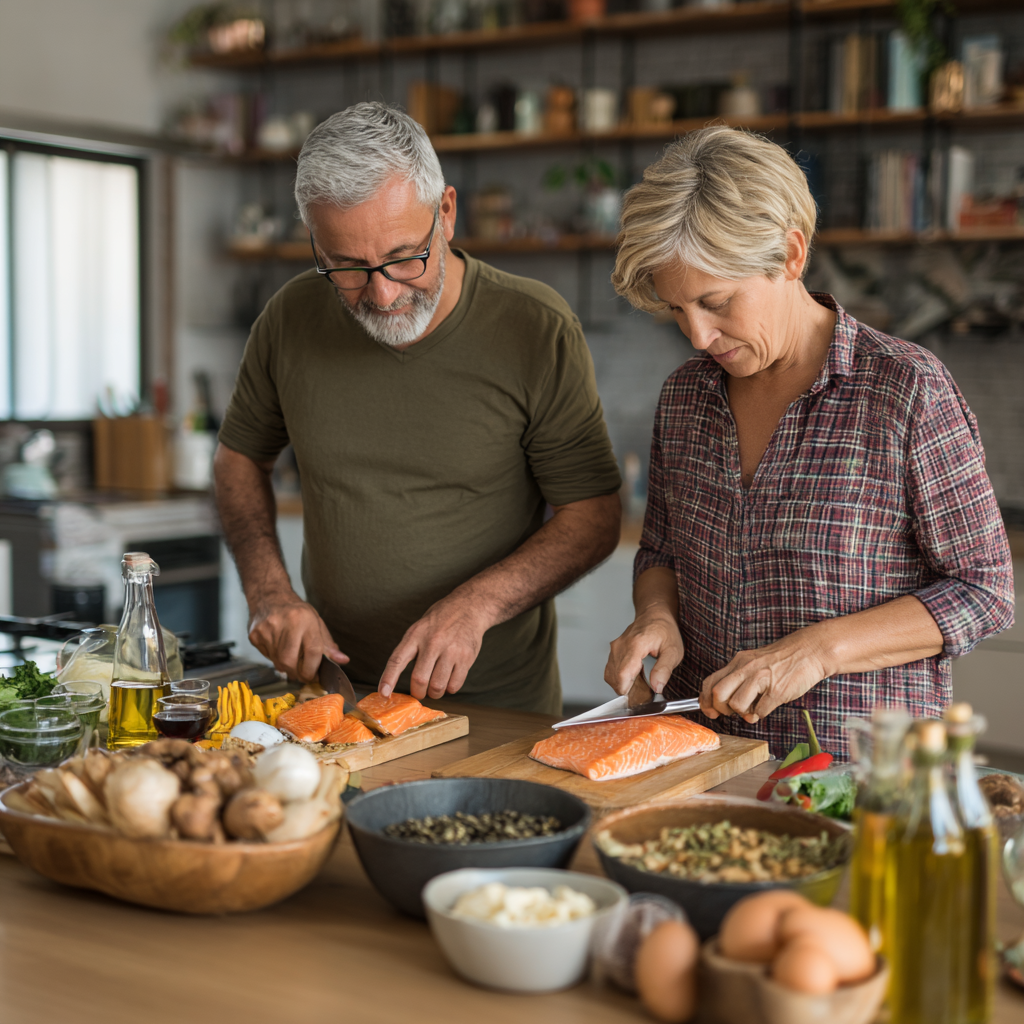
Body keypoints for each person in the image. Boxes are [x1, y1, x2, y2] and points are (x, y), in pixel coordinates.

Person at [603, 126, 1014, 758]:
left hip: (861, 776)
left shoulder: (906, 390)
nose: (698, 336)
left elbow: (984, 592)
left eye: (716, 302)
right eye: (677, 311)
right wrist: (656, 614)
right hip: (702, 759)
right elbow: (659, 548)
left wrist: (816, 651)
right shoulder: (686, 397)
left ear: (791, 256)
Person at [215, 102, 622, 715]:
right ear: (315, 242)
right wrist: (269, 592)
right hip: (335, 697)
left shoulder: (535, 327)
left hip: (492, 706)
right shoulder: (290, 318)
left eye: (406, 255)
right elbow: (237, 460)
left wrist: (476, 605)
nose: (381, 293)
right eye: (347, 267)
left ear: (447, 213)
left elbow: (592, 516)